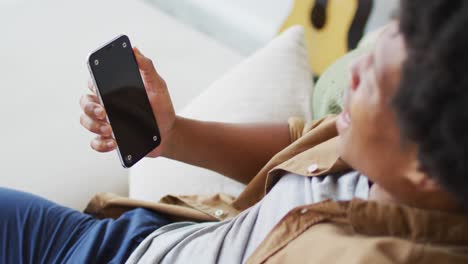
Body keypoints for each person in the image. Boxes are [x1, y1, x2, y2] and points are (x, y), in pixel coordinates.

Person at [2, 0, 468, 263]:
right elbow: (303, 143)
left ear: (423, 167)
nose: (350, 72)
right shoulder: (381, 152)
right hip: (133, 238)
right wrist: (174, 134)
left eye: (371, 79)